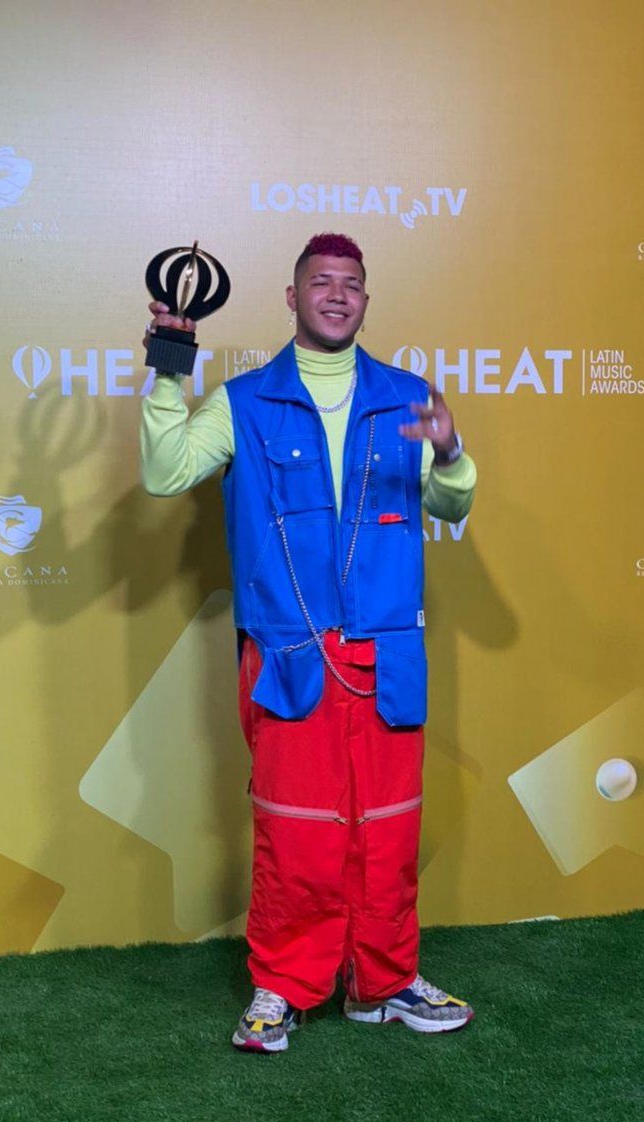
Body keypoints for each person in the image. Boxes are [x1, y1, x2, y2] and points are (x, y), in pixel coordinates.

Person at [140, 233, 477, 1053]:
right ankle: (282, 987)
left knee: (387, 826)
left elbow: (452, 504)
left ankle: (385, 982)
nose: (337, 294)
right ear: (291, 297)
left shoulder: (407, 394)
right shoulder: (246, 400)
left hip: (386, 650)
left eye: (351, 284)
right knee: (296, 828)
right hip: (290, 653)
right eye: (320, 282)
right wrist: (171, 362)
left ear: (366, 299)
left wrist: (448, 449)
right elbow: (164, 470)